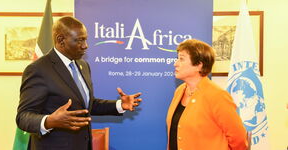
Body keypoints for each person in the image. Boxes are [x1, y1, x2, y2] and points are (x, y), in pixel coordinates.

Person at [16, 16, 142, 150]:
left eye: (85, 39)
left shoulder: (83, 65)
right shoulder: (39, 69)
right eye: (79, 40)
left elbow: (86, 105)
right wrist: (49, 121)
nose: (85, 45)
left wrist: (120, 105)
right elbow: (23, 117)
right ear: (61, 40)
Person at [166, 39, 248, 150]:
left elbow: (239, 139)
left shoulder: (217, 96)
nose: (176, 64)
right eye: (177, 59)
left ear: (199, 65)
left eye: (181, 59)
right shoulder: (180, 91)